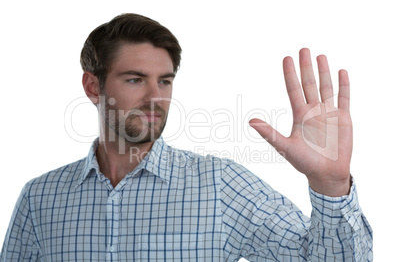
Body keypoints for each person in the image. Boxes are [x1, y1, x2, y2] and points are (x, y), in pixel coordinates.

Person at [0, 13, 373, 261]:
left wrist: (331, 186)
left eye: (164, 81)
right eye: (135, 79)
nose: (155, 97)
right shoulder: (40, 198)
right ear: (93, 86)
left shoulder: (220, 185)